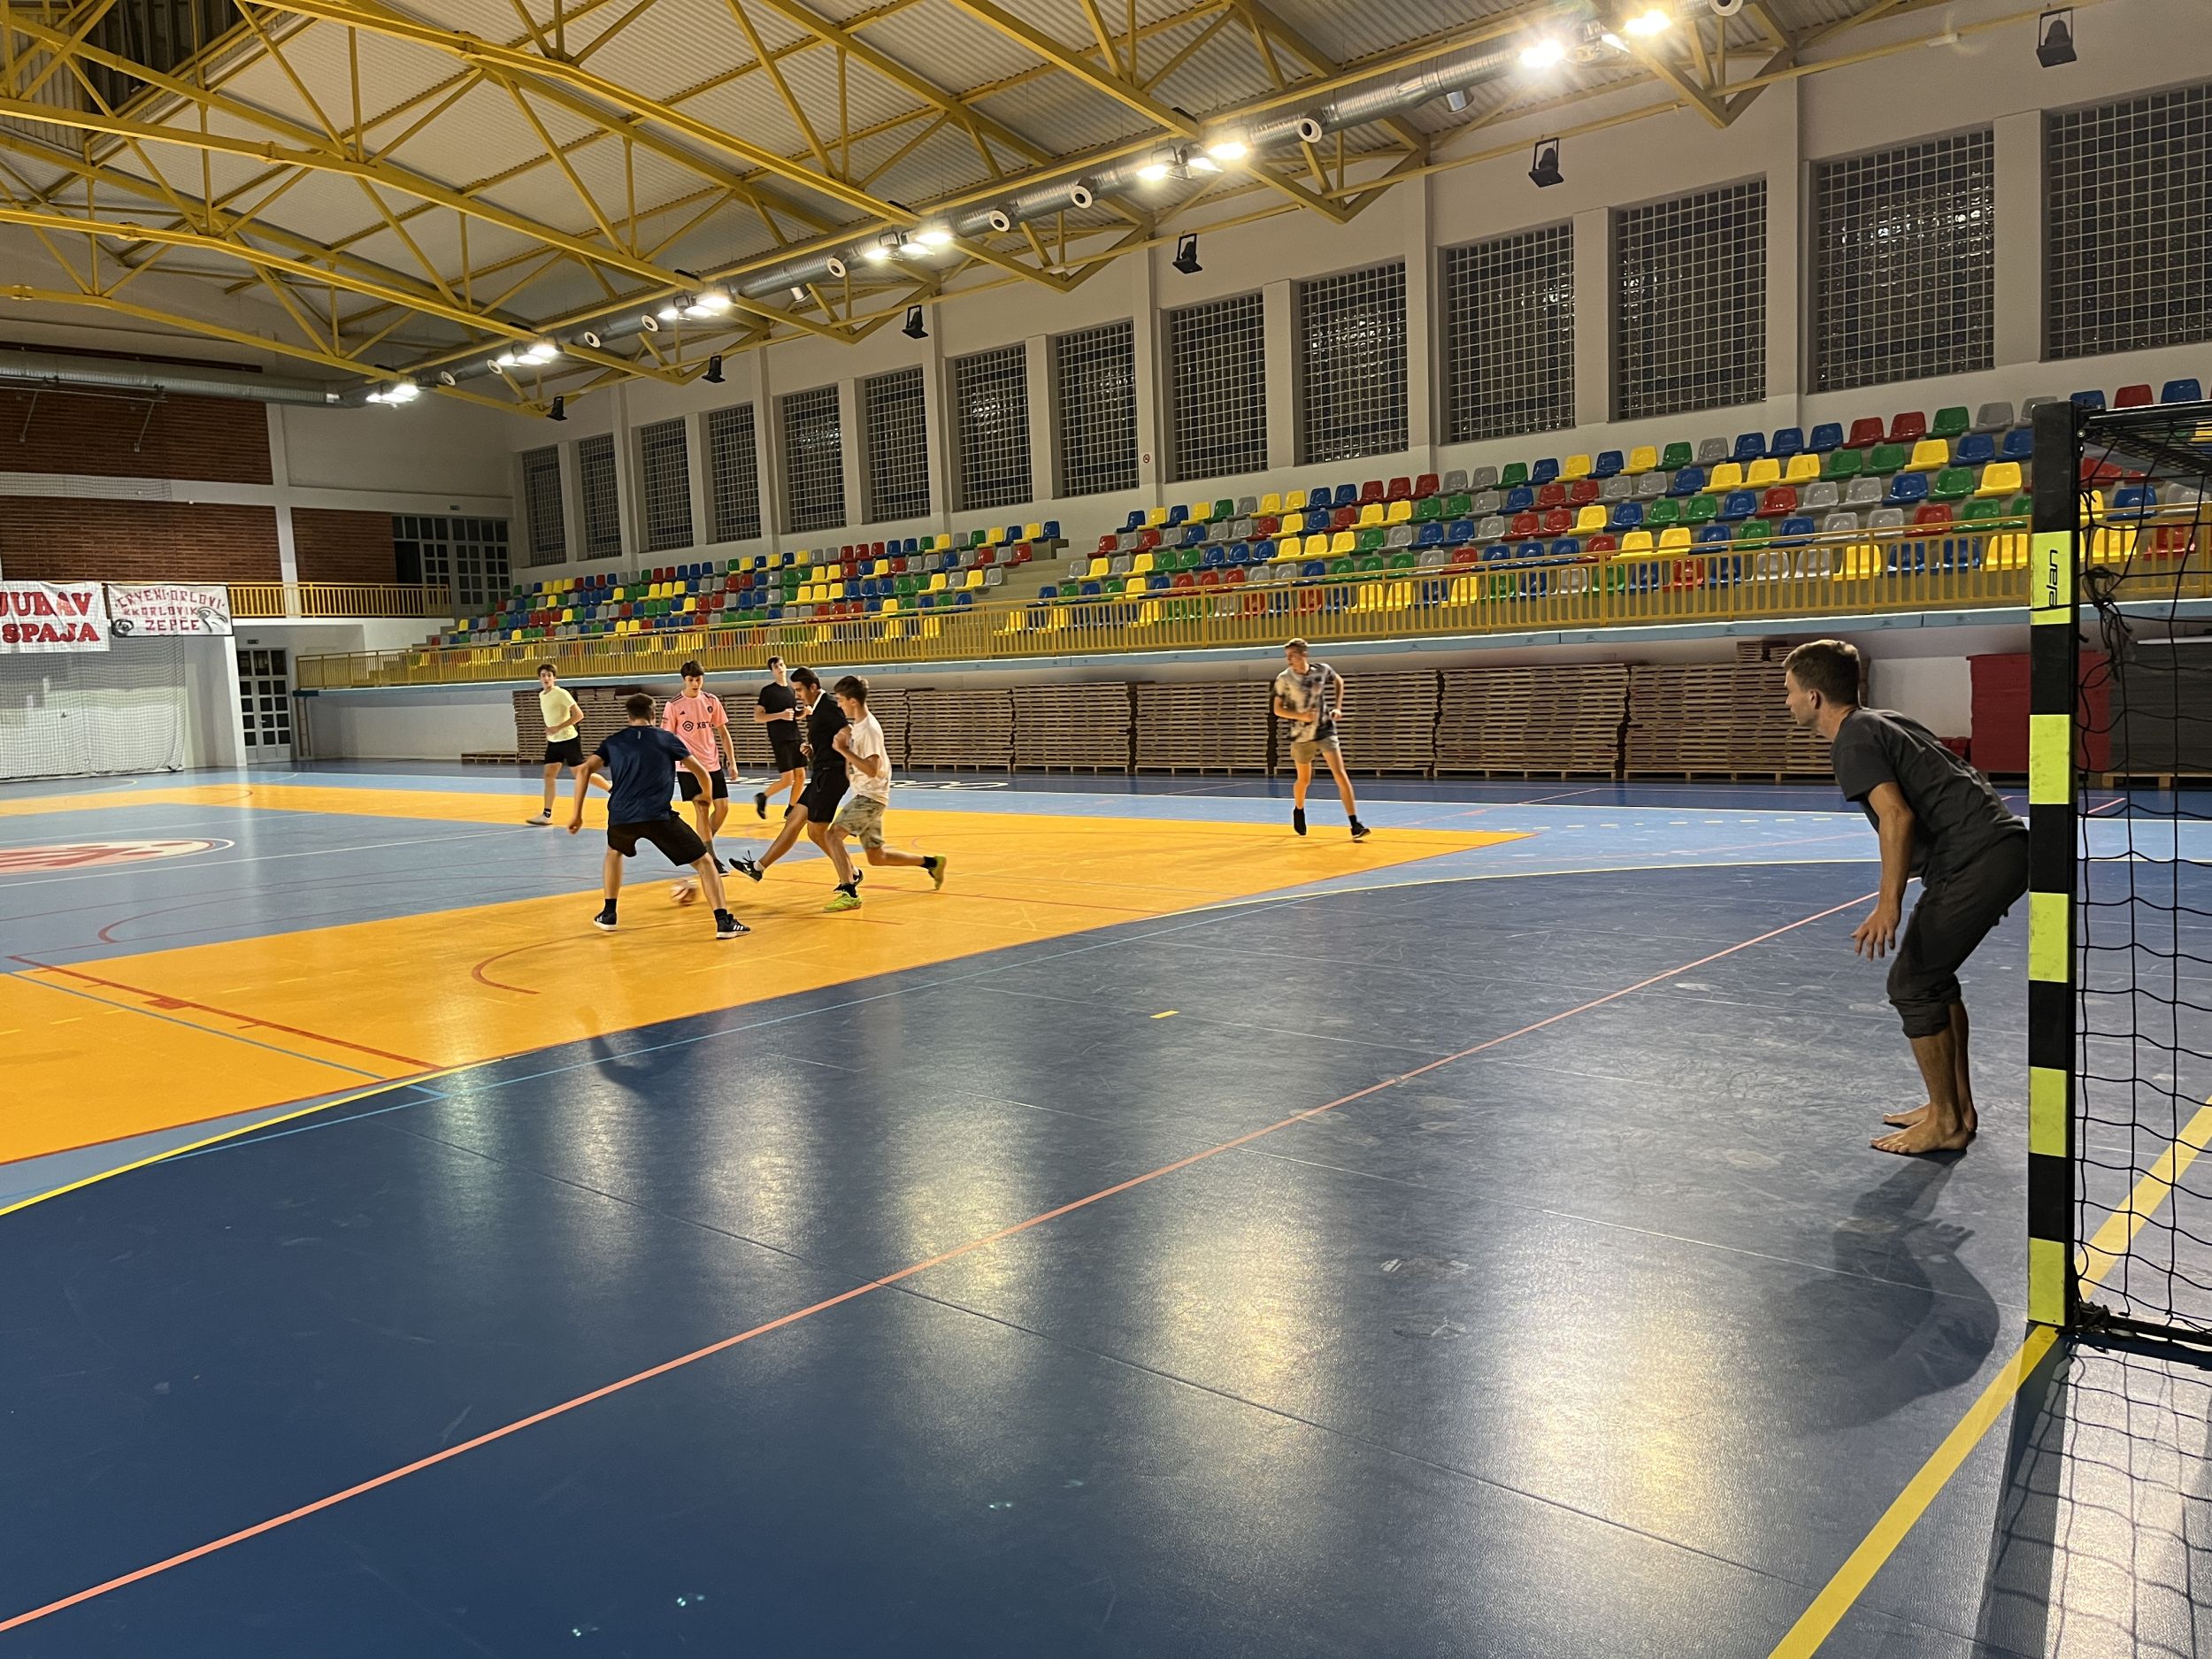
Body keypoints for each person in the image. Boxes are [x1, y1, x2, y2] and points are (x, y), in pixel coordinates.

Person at [1784, 639, 2030, 1156]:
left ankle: (1946, 1122)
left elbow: (1896, 815)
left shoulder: (1851, 739)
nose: (1786, 702)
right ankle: (1954, 1109)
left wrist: (1888, 904)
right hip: (1992, 851)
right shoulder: (1884, 721)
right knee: (1932, 978)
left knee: (1912, 983)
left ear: (1813, 697)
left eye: (1789, 692)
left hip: (1978, 858)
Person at [568, 693, 746, 941]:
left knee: (613, 852)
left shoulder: (614, 741)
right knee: (705, 863)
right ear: (653, 714)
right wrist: (705, 794)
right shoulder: (666, 739)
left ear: (629, 716)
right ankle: (723, 922)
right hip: (658, 816)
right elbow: (700, 770)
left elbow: (585, 770)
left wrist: (577, 814)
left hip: (621, 816)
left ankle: (609, 913)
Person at [818, 675, 948, 912]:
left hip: (870, 797)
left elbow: (872, 769)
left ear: (853, 701)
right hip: (868, 795)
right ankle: (932, 863)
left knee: (832, 836)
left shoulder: (868, 729)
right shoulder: (859, 727)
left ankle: (849, 892)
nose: (839, 705)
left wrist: (843, 750)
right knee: (877, 857)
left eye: (841, 700)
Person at [731, 667, 854, 892]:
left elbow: (847, 730)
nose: (797, 695)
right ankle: (757, 868)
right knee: (794, 820)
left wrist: (842, 754)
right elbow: (829, 737)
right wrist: (814, 749)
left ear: (813, 687)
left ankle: (850, 877)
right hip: (821, 773)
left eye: (799, 690)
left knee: (816, 832)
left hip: (832, 776)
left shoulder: (828, 705)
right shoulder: (816, 708)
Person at [1271, 639, 1370, 840]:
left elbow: (1339, 681)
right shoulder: (1284, 678)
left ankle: (1355, 824)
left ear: (1303, 654)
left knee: (1340, 774)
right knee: (1304, 779)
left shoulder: (1322, 670)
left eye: (1292, 655)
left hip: (1325, 729)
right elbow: (1277, 709)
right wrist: (1301, 716)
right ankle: (1299, 809)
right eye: (1287, 656)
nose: (1289, 660)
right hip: (1301, 734)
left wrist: (1338, 707)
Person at [660, 661, 740, 899]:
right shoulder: (674, 705)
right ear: (684, 680)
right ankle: (711, 857)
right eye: (691, 680)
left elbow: (723, 732)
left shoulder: (711, 701)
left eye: (698, 679)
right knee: (702, 810)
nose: (695, 684)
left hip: (712, 764)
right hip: (689, 767)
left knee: (723, 808)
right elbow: (666, 738)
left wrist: (732, 761)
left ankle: (699, 845)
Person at [526, 664, 609, 825]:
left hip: (568, 740)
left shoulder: (561, 693)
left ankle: (613, 790)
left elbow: (579, 715)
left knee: (581, 774)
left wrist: (558, 727)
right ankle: (547, 815)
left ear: (554, 678)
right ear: (539, 678)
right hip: (554, 742)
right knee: (549, 775)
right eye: (543, 675)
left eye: (549, 675)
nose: (546, 678)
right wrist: (551, 732)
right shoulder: (542, 695)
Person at [753, 655, 807, 819]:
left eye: (782, 664)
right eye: (776, 666)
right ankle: (763, 797)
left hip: (795, 736)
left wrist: (804, 712)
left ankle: (791, 809)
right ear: (772, 671)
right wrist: (780, 715)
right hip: (780, 738)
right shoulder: (768, 691)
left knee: (801, 776)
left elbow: (793, 715)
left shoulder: (791, 690)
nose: (780, 668)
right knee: (787, 779)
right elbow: (758, 716)